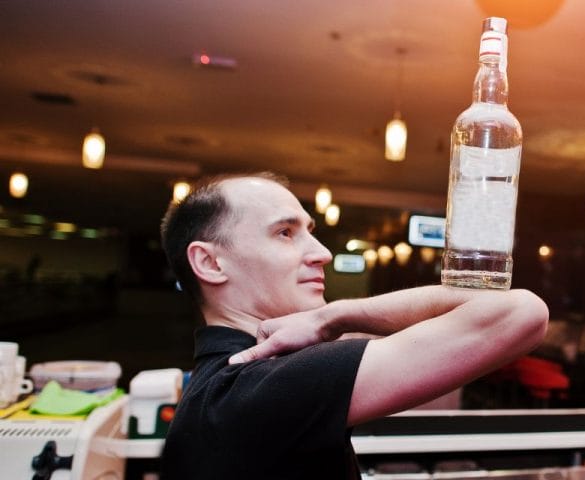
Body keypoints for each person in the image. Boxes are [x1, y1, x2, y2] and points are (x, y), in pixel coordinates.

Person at [158, 172, 548, 479]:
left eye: (310, 231)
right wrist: (331, 316)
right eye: (285, 232)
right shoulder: (254, 388)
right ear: (210, 263)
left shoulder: (222, 387)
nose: (322, 253)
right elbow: (520, 313)